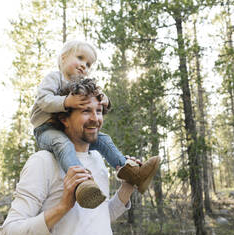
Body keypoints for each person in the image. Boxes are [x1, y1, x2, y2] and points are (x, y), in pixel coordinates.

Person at [0, 79, 158, 235]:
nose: (95, 118)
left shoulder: (97, 158)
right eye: (85, 111)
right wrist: (63, 207)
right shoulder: (43, 162)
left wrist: (128, 186)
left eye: (98, 111)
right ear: (64, 119)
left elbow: (100, 218)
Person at [30, 40, 161, 208]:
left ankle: (131, 172)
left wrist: (105, 100)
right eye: (80, 58)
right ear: (63, 58)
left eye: (88, 64)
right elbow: (43, 100)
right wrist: (66, 101)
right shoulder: (55, 78)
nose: (84, 65)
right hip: (46, 129)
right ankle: (82, 185)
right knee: (62, 144)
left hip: (69, 130)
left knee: (104, 140)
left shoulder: (80, 85)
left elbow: (98, 98)